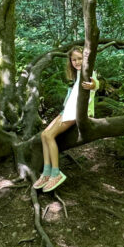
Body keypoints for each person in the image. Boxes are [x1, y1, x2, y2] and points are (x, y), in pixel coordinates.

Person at [35, 47, 99, 191]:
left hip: (75, 113)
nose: (77, 62)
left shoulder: (88, 72)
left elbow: (95, 84)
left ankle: (56, 173)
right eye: (74, 59)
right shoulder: (78, 74)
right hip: (67, 111)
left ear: (85, 59)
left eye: (79, 58)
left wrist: (93, 85)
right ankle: (46, 172)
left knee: (50, 135)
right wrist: (62, 112)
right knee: (44, 134)